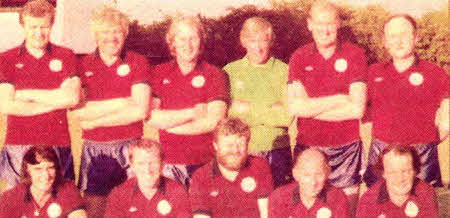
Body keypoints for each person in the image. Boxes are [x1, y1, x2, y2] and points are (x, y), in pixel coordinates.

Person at [287, 0, 367, 213]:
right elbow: (296, 107)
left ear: (339, 23)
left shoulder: (355, 54)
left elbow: (357, 109)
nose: (325, 29)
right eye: (319, 23)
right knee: (309, 210)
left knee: (347, 211)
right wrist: (340, 99)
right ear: (309, 24)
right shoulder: (299, 57)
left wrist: (312, 107)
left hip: (346, 148)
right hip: (309, 147)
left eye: (330, 23)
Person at [71, 6, 150, 217]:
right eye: (105, 32)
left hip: (130, 146)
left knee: (133, 207)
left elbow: (140, 110)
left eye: (116, 31)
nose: (111, 37)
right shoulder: (82, 64)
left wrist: (96, 121)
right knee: (95, 209)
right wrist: (124, 102)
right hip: (94, 149)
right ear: (96, 36)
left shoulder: (138, 61)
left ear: (125, 34)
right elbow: (80, 113)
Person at [0, 0, 80, 189]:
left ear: (51, 25)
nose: (39, 33)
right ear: (23, 26)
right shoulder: (6, 59)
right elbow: (6, 105)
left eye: (44, 26)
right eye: (33, 27)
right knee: (19, 205)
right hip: (18, 145)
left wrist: (25, 94)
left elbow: (72, 98)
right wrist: (56, 101)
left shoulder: (66, 55)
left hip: (57, 145)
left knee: (58, 206)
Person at [363, 14, 448, 188]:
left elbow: (447, 117)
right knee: (380, 208)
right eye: (393, 36)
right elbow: (360, 113)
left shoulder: (435, 73)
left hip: (422, 155)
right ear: (385, 42)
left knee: (421, 210)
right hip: (382, 154)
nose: (398, 41)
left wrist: (426, 142)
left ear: (416, 37)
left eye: (404, 34)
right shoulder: (372, 73)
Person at [148, 17, 229, 187]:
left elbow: (214, 121)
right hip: (167, 164)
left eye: (193, 38)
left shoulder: (215, 74)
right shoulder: (159, 72)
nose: (188, 44)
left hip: (206, 163)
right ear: (173, 43)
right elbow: (152, 118)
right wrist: (192, 113)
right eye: (182, 38)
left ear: (201, 42)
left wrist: (169, 125)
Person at [224, 16, 293, 188]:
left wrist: (246, 109)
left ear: (271, 41)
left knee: (278, 206)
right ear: (243, 41)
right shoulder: (230, 71)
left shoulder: (285, 71)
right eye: (253, 41)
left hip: (277, 150)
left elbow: (286, 117)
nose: (259, 47)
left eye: (264, 40)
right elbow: (227, 116)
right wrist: (271, 111)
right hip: (241, 151)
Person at [189, 118, 273, 218]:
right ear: (216, 146)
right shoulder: (201, 176)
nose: (235, 150)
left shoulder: (259, 165)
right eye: (229, 145)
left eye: (241, 144)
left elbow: (266, 214)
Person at [104, 139, 191, 218]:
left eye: (153, 163)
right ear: (132, 165)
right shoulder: (119, 195)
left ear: (162, 164)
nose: (147, 169)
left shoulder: (177, 191)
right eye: (141, 163)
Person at [0, 146, 87, 218]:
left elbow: (78, 215)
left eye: (50, 168)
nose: (46, 175)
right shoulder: (11, 196)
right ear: (27, 170)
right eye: (38, 169)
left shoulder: (67, 189)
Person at [357, 146, 439, 218]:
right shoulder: (369, 200)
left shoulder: (426, 193)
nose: (400, 179)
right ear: (383, 173)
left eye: (405, 171)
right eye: (393, 172)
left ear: (415, 171)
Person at [269, 148, 350, 218]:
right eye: (307, 175)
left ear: (327, 173)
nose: (313, 182)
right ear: (295, 174)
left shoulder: (336, 198)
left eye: (319, 174)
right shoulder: (279, 198)